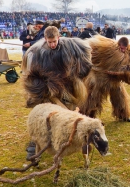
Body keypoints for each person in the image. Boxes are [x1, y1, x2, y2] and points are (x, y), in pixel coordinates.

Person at [22, 26, 93, 160]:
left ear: (58, 37)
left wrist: (77, 75)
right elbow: (32, 74)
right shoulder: (38, 52)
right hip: (47, 88)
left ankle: (68, 138)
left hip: (67, 86)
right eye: (50, 42)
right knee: (44, 116)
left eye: (54, 41)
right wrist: (45, 87)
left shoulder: (71, 45)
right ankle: (34, 146)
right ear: (45, 39)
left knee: (68, 111)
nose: (53, 44)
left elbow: (87, 54)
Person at [79, 36, 130, 123]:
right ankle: (88, 116)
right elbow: (88, 51)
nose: (123, 50)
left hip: (115, 79)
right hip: (99, 76)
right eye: (122, 48)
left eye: (125, 49)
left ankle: (123, 115)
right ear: (119, 45)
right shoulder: (106, 47)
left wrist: (126, 73)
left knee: (119, 97)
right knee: (93, 97)